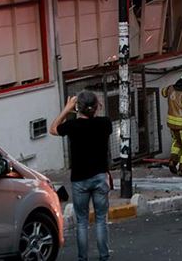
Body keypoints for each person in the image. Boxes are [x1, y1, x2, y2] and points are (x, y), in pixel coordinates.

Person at [50, 91, 113, 261]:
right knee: (101, 219)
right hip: (100, 177)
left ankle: (82, 258)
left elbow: (53, 129)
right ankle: (104, 256)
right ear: (96, 107)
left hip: (80, 180)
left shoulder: (72, 126)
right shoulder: (105, 123)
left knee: (82, 222)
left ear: (78, 108)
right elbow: (98, 116)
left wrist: (67, 109)